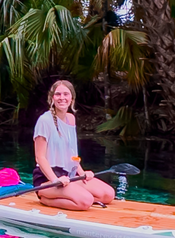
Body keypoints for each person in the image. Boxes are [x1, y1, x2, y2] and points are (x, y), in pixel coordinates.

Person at [31, 78, 114, 211]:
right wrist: (54, 180)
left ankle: (71, 194)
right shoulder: (44, 121)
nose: (62, 98)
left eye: (66, 94)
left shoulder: (71, 119)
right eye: (58, 94)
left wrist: (82, 172)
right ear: (52, 98)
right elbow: (40, 158)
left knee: (108, 195)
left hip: (69, 175)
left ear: (72, 98)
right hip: (47, 179)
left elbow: (71, 153)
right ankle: (45, 197)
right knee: (86, 201)